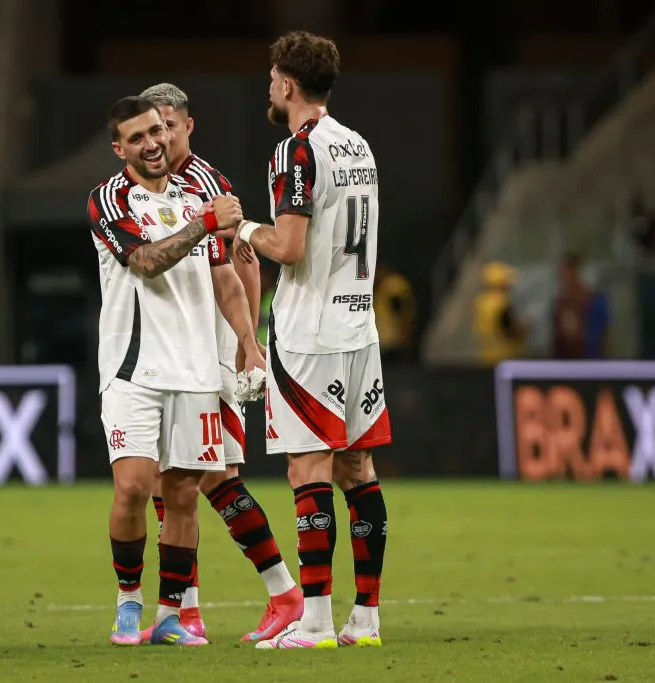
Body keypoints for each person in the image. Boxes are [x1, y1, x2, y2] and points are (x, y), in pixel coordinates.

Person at [230, 31, 391, 649]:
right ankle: (366, 618)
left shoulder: (295, 151)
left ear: (288, 85)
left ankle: (317, 620)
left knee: (308, 467)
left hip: (310, 333)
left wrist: (241, 225)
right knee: (359, 467)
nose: (268, 88)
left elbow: (290, 247)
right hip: (360, 327)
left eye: (272, 78)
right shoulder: (359, 145)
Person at [87, 96, 264, 647]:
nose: (153, 142)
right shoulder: (109, 200)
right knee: (134, 488)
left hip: (194, 373)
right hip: (133, 369)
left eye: (157, 131)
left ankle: (169, 616)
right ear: (120, 148)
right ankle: (127, 601)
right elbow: (143, 262)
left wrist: (248, 341)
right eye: (137, 137)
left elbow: (224, 280)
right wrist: (203, 224)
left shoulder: (195, 196)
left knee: (184, 496)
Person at [139, 82, 303, 642]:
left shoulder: (202, 184)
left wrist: (245, 343)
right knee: (169, 485)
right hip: (172, 354)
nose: (160, 136)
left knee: (211, 478)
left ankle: (283, 592)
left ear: (188, 126)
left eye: (168, 125)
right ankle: (185, 611)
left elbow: (241, 263)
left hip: (209, 354)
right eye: (151, 127)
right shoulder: (148, 186)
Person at [552, 252, 610, 359]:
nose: (563, 275)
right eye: (562, 271)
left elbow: (605, 335)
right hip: (566, 362)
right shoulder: (559, 303)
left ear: (575, 271)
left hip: (590, 360)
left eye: (567, 270)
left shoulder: (595, 301)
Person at [473, 261, 526, 365]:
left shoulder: (480, 303)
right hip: (506, 360)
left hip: (486, 359)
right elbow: (511, 331)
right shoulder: (502, 304)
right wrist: (524, 329)